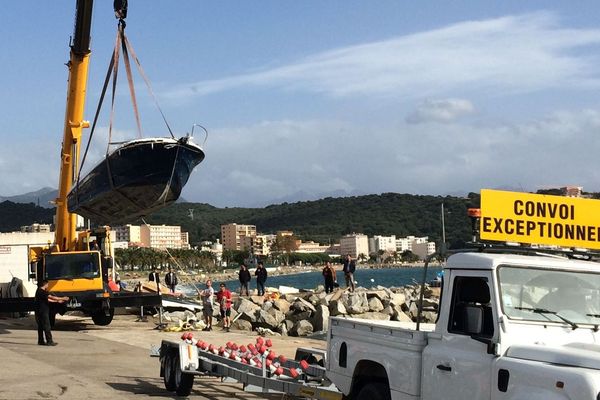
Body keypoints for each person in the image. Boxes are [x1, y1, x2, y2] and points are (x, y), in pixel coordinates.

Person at [35, 280, 68, 346]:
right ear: (45, 284)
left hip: (39, 311)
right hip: (43, 311)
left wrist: (57, 301)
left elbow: (48, 299)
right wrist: (62, 298)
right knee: (47, 326)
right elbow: (51, 297)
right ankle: (49, 341)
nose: (48, 285)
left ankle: (40, 341)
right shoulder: (42, 291)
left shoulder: (38, 291)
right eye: (47, 284)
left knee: (41, 326)